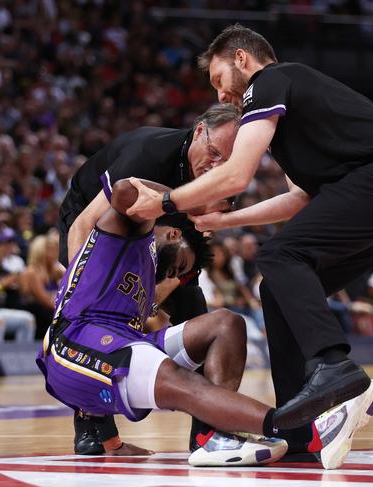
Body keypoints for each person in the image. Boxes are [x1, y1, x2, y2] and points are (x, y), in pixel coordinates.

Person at [127, 24, 373, 435]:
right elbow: (299, 199)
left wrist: (167, 202)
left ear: (241, 59)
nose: (219, 95)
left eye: (219, 80)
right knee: (276, 286)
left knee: (278, 254)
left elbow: (236, 175)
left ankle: (333, 365)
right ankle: (297, 424)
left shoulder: (268, 80)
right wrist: (225, 221)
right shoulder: (288, 118)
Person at [38, 177, 373, 469]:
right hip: (71, 339)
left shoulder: (145, 282)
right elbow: (125, 190)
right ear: (173, 234)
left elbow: (103, 371)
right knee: (179, 380)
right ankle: (301, 427)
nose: (171, 276)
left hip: (106, 347)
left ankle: (219, 436)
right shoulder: (132, 231)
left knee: (225, 324)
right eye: (178, 266)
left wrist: (111, 445)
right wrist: (191, 202)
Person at [58, 103, 241, 453]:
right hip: (96, 217)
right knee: (95, 325)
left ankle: (211, 431)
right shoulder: (147, 155)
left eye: (227, 161)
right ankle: (95, 430)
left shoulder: (227, 175)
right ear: (199, 131)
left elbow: (194, 252)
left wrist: (158, 294)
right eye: (214, 153)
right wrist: (82, 295)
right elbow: (83, 225)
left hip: (168, 229)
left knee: (197, 315)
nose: (217, 166)